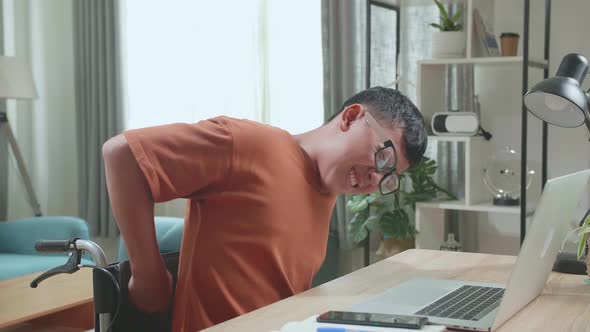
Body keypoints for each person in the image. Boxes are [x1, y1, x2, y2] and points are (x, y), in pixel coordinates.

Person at [102, 86, 427, 331]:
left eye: (388, 176)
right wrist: (149, 275)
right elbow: (122, 155)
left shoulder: (325, 191)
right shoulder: (249, 145)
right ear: (351, 118)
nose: (374, 180)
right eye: (382, 157)